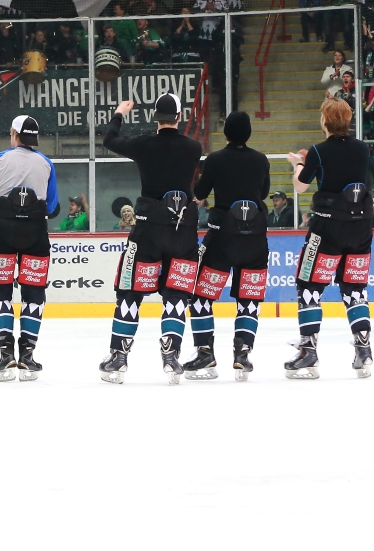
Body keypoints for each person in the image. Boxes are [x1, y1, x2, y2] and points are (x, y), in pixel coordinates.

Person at [99, 92, 203, 385]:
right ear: (179, 117)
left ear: (155, 117)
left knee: (131, 291)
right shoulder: (194, 147)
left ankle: (118, 358)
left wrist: (119, 113)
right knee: (176, 293)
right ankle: (171, 356)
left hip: (148, 229)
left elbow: (110, 140)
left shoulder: (144, 144)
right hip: (183, 231)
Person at [285, 98, 374, 379]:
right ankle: (363, 349)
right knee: (355, 287)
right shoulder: (362, 148)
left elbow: (301, 185)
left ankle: (308, 349)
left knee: (309, 284)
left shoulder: (318, 151)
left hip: (327, 228)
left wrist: (298, 164)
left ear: (325, 120)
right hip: (360, 228)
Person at [186, 112, 272, 381]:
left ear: (225, 134)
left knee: (201, 295)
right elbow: (263, 193)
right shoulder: (261, 160)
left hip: (222, 239)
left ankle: (205, 352)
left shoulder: (215, 159)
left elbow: (200, 193)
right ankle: (242, 353)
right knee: (249, 297)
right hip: (255, 240)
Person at [0, 114, 58, 382]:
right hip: (35, 233)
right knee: (34, 291)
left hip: (1, 231)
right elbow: (51, 206)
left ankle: (5, 352)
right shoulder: (46, 163)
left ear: (14, 134)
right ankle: (28, 353)